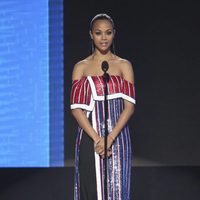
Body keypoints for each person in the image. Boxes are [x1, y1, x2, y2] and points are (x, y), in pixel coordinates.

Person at [70, 13, 136, 200]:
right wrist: (98, 139)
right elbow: (76, 109)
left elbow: (129, 107)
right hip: (90, 139)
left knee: (117, 191)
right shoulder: (80, 67)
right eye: (99, 33)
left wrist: (110, 137)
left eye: (108, 33)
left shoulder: (124, 65)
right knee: (90, 189)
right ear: (91, 34)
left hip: (118, 138)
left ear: (114, 34)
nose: (104, 38)